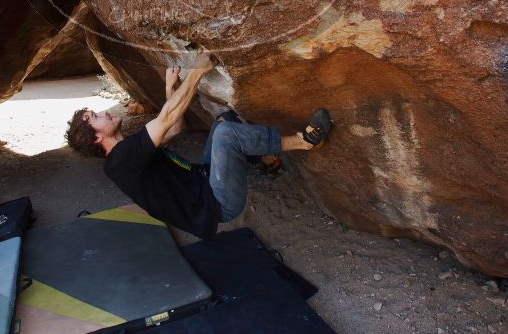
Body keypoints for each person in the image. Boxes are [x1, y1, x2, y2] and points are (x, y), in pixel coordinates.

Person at [65, 51, 332, 239]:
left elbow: (176, 126)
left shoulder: (129, 153)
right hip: (217, 203)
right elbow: (167, 117)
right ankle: (305, 142)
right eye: (95, 118)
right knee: (227, 135)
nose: (103, 113)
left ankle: (268, 159)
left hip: (204, 179)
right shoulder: (122, 161)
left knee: (223, 121)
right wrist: (197, 71)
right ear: (96, 138)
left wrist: (171, 88)